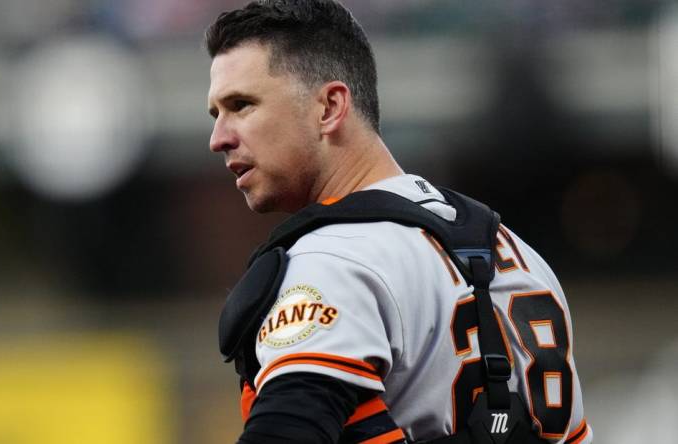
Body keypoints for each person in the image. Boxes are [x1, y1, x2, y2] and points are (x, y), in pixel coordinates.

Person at [205, 1, 592, 443]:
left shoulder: (334, 261)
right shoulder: (519, 253)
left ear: (330, 107)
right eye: (216, 114)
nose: (219, 138)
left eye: (242, 105)